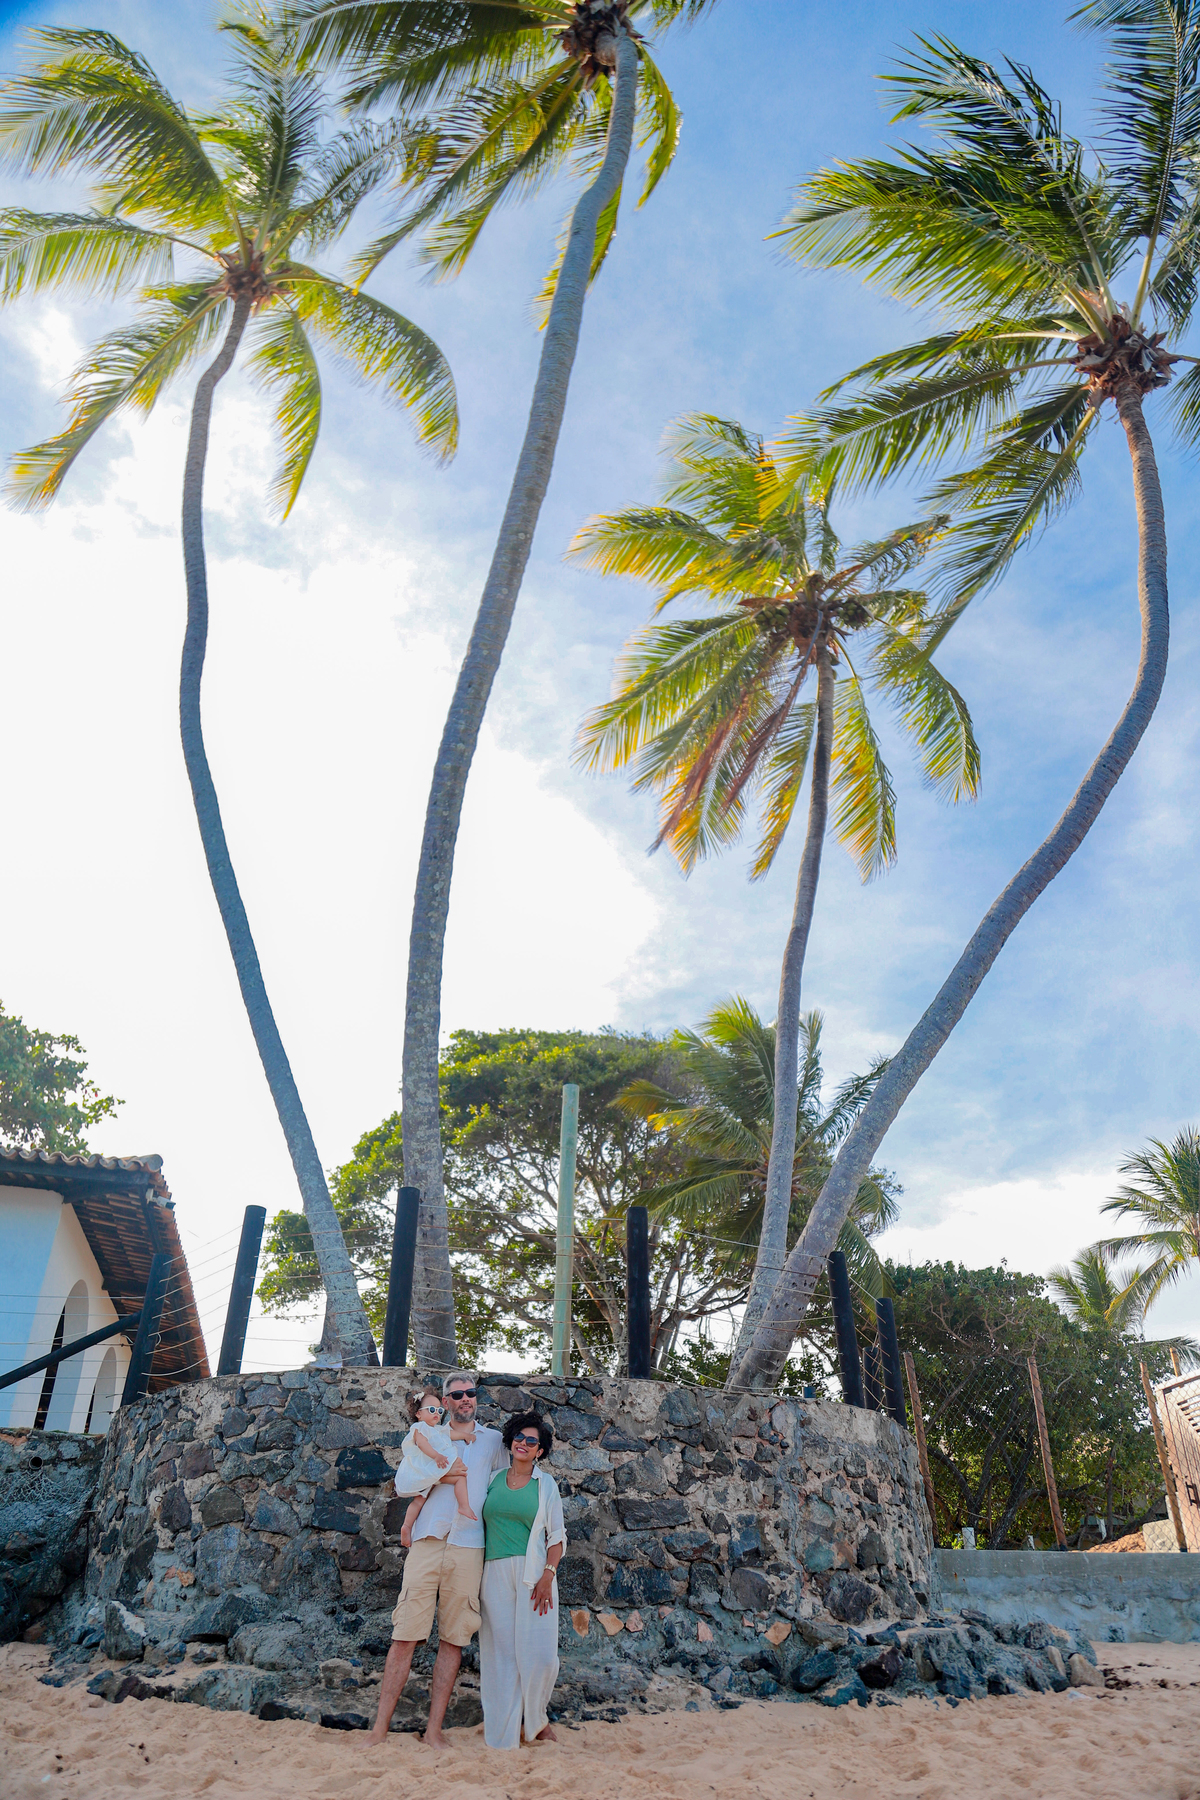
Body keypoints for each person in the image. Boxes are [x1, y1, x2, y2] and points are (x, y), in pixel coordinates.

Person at [367, 1371, 507, 1749]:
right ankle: (379, 1729)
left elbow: (510, 1484)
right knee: (404, 1635)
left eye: (471, 1393)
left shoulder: (494, 1441)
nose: (465, 1399)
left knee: (454, 1638)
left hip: (469, 1545)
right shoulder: (427, 1435)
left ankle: (433, 1732)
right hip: (428, 1540)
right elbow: (404, 1484)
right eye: (457, 1394)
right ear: (443, 1402)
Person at [478, 1410, 565, 1749]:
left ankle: (537, 1719)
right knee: (502, 1653)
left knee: (540, 1653)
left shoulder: (546, 1485)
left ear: (541, 1451)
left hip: (535, 1576)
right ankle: (505, 1728)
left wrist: (549, 1574)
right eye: (520, 1438)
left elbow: (556, 1536)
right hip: (494, 1571)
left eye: (533, 1441)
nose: (524, 1444)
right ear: (510, 1441)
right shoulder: (493, 1479)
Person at [394, 1387, 477, 1546]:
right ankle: (407, 1526)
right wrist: (436, 1456)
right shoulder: (419, 1428)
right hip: (426, 1468)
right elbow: (422, 1443)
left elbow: (452, 1434)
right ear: (419, 1414)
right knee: (457, 1479)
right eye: (431, 1409)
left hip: (433, 1471)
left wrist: (465, 1435)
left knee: (423, 1498)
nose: (436, 1414)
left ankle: (463, 1506)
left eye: (439, 1410)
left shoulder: (438, 1430)